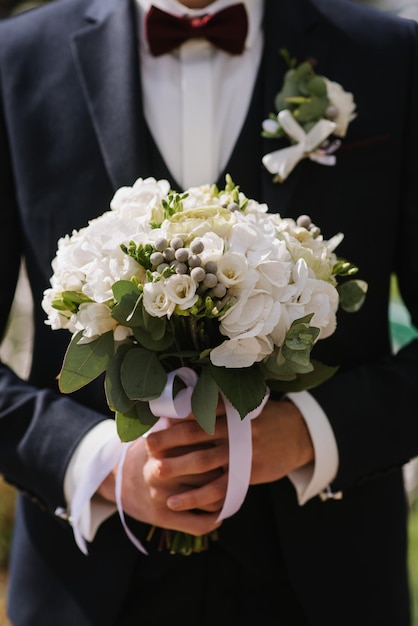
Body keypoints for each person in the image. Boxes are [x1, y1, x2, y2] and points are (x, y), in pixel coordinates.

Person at [1, 0, 418, 624]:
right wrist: (98, 463)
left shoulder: (392, 55)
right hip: (88, 586)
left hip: (328, 579)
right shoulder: (16, 58)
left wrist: (310, 432)